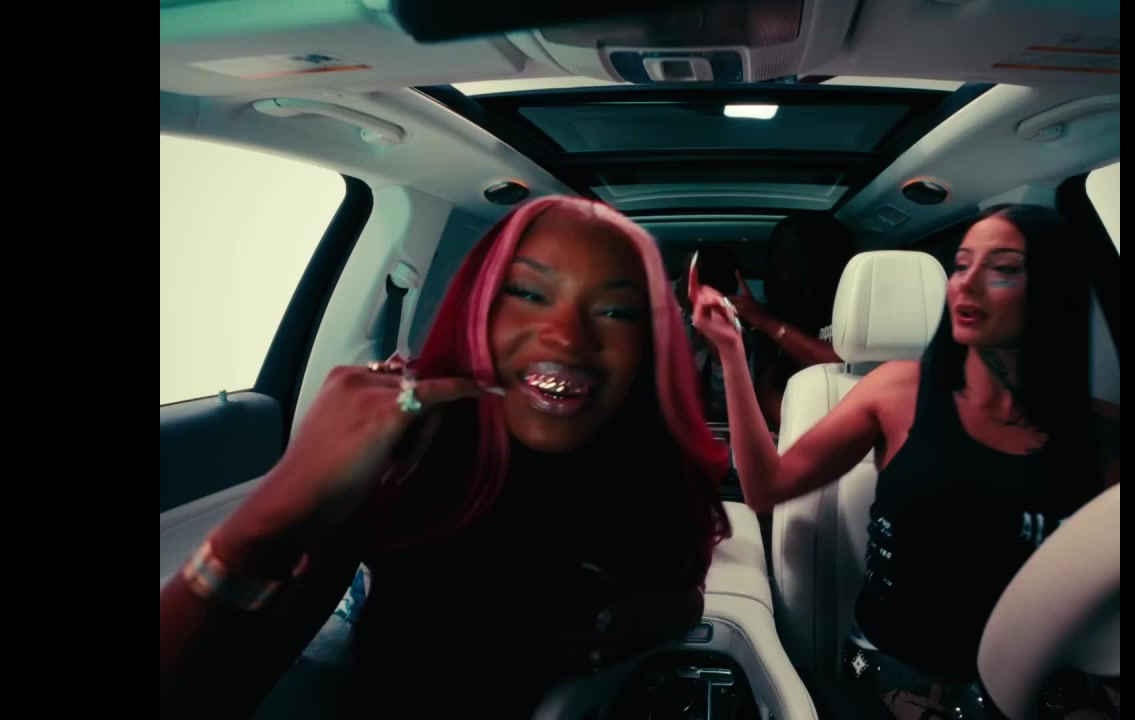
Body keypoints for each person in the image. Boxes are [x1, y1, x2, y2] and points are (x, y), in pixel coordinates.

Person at [160, 196, 733, 718]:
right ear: (476, 311)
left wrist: (665, 613)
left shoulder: (652, 466)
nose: (567, 336)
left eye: (615, 311)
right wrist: (269, 517)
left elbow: (684, 588)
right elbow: (230, 680)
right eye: (528, 293)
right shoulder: (407, 455)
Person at [689, 204, 1120, 719]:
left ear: (1053, 290)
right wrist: (732, 351)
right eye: (961, 264)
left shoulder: (1103, 432)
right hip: (896, 677)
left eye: (1003, 268)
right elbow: (765, 487)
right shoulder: (898, 391)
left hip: (1043, 683)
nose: (967, 283)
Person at [726, 214, 859, 428]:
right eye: (776, 250)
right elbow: (766, 390)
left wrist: (765, 322)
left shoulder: (851, 305)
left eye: (788, 250)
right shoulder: (785, 309)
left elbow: (845, 364)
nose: (778, 261)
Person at [674, 244, 754, 424]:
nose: (678, 281)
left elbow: (726, 406)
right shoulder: (671, 326)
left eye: (684, 274)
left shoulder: (736, 336)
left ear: (702, 286)